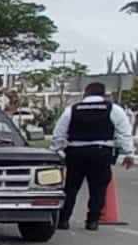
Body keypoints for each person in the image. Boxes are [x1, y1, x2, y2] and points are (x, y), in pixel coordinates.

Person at [52, 82, 135, 231]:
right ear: (104, 95)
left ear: (85, 93)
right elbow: (124, 133)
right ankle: (92, 221)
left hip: (75, 152)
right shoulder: (113, 109)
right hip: (101, 152)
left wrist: (56, 150)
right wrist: (129, 153)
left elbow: (59, 133)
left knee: (71, 187)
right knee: (98, 188)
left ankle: (63, 220)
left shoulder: (72, 109)